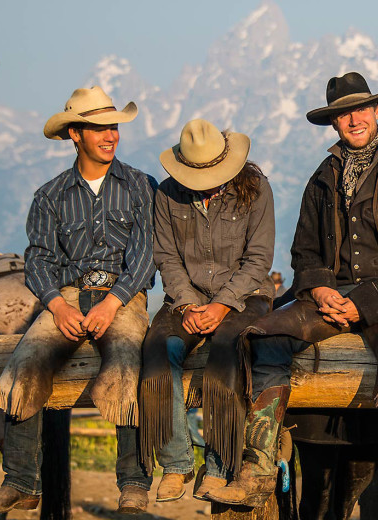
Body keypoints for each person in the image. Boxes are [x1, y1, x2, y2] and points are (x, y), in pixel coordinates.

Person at [205, 71, 378, 520]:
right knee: (262, 335)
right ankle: (256, 469)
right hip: (329, 293)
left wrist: (366, 303)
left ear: (376, 111)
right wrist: (318, 286)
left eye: (360, 109)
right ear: (333, 123)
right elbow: (304, 250)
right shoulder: (322, 177)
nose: (353, 119)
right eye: (343, 114)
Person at [0, 86, 156, 515]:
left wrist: (114, 302)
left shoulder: (140, 186)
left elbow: (146, 254)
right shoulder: (49, 195)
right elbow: (38, 258)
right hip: (68, 296)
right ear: (76, 133)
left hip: (124, 294)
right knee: (26, 361)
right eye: (99, 128)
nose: (110, 135)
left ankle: (133, 483)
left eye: (113, 126)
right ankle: (20, 480)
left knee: (129, 362)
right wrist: (57, 305)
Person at [138, 119, 275, 502]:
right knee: (156, 351)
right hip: (187, 297)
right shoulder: (166, 194)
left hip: (245, 296)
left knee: (227, 353)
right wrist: (186, 302)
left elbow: (259, 259)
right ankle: (177, 463)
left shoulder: (256, 190)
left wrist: (221, 304)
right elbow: (166, 255)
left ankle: (217, 466)